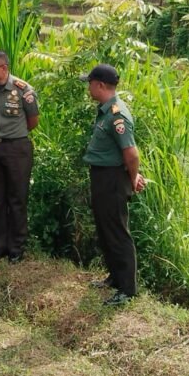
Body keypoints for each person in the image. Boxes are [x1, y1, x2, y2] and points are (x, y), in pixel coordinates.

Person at [81, 64, 146, 306]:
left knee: (117, 232)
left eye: (89, 83)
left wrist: (132, 177)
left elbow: (131, 153)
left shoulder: (117, 114)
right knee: (105, 229)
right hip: (102, 177)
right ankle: (115, 278)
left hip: (113, 180)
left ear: (99, 85)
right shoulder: (106, 111)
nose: (88, 88)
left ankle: (127, 290)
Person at [0, 50, 39, 264]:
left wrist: (14, 136)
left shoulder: (23, 90)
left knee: (17, 198)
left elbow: (33, 121)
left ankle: (16, 248)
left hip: (17, 149)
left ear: (3, 68)